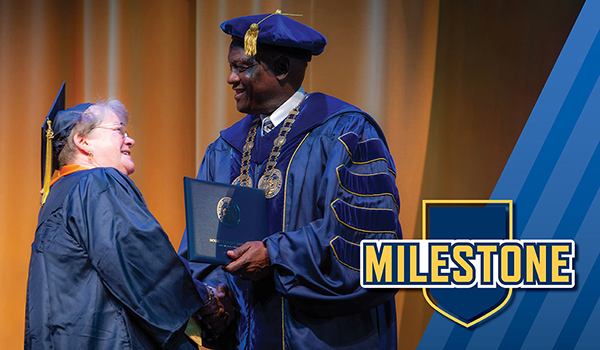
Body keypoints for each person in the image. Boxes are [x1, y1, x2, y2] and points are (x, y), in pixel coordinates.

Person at [178, 11, 401, 349]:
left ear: (281, 68)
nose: (230, 78)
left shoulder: (346, 133)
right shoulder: (224, 150)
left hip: (325, 337)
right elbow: (205, 247)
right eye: (231, 66)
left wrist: (276, 255)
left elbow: (368, 242)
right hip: (248, 338)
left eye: (242, 67)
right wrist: (215, 296)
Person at [25, 84, 231, 349]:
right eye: (118, 131)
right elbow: (144, 260)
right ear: (83, 141)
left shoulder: (59, 194)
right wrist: (206, 297)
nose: (130, 140)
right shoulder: (96, 182)